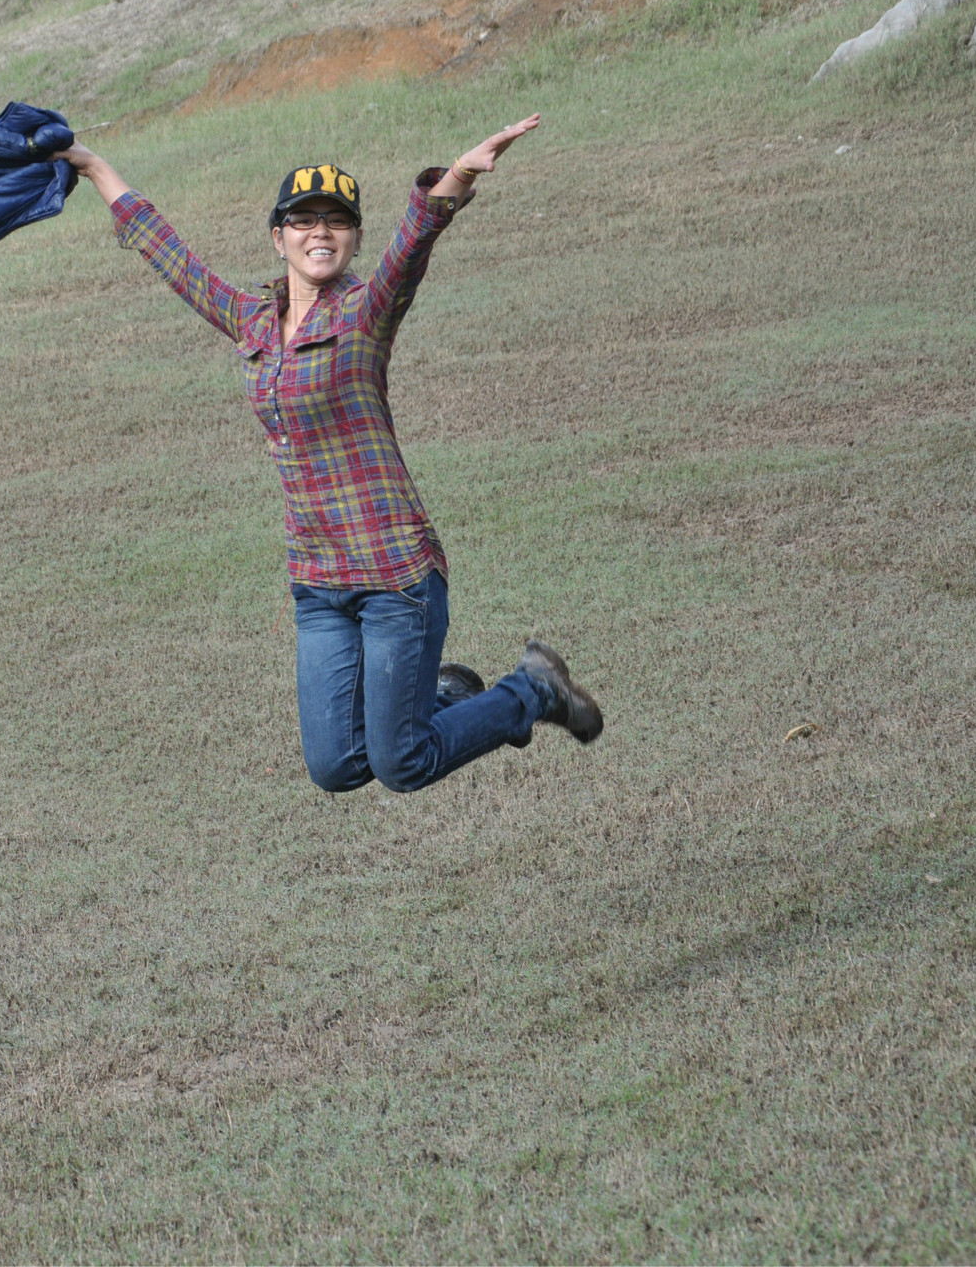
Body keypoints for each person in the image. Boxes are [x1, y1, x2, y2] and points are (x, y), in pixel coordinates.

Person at [54, 115, 603, 794]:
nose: (321, 231)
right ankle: (448, 694)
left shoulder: (365, 315)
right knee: (338, 765)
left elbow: (410, 250)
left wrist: (455, 180)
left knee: (402, 763)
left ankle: (533, 691)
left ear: (353, 238)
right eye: (304, 219)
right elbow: (174, 260)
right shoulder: (253, 322)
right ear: (278, 236)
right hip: (318, 580)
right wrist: (92, 166)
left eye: (338, 221)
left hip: (395, 575)